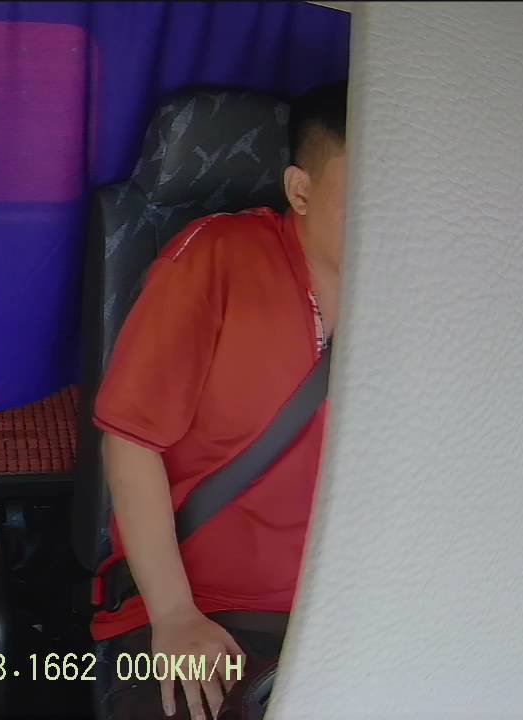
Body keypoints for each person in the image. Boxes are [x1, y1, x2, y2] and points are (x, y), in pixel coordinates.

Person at [92, 81, 349, 720]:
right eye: (365, 196)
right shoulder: (217, 258)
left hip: (355, 609)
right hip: (206, 608)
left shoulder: (425, 297)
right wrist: (175, 614)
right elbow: (130, 443)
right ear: (301, 191)